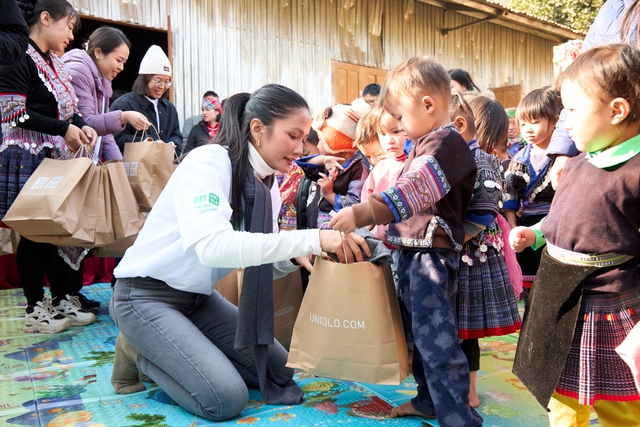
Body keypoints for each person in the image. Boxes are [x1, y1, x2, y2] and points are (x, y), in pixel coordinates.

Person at [109, 84, 371, 421]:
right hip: (145, 296)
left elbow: (259, 258)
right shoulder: (208, 162)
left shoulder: (266, 186)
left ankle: (180, 344)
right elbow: (212, 248)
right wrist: (311, 239)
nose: (300, 147)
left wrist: (292, 257)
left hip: (198, 299)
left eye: (304, 137)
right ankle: (138, 351)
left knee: (278, 371)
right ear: (258, 129)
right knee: (224, 399)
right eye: (292, 135)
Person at [330, 56, 483, 427]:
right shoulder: (428, 142)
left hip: (431, 257)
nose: (397, 126)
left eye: (399, 117)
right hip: (415, 255)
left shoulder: (444, 144)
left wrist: (361, 213)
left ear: (428, 104)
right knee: (419, 337)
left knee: (438, 342)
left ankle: (459, 419)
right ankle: (429, 402)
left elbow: (414, 191)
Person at [509, 43, 640, 427]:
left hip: (609, 305)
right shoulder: (579, 162)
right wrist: (534, 236)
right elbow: (564, 219)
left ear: (617, 111)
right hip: (559, 300)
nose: (563, 120)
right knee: (562, 398)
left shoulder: (634, 173)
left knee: (620, 404)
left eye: (572, 109)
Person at [0, 0, 98, 333]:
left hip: (56, 160)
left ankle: (60, 298)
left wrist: (82, 124)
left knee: (59, 231)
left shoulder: (55, 63)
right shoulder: (18, 56)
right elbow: (14, 112)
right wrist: (63, 129)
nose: (72, 35)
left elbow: (67, 112)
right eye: (69, 26)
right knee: (35, 232)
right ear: (45, 18)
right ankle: (33, 307)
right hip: (29, 158)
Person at [61, 27, 150, 309]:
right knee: (68, 231)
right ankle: (63, 297)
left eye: (125, 62)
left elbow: (105, 132)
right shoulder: (78, 71)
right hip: (69, 163)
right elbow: (87, 121)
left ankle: (71, 295)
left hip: (87, 164)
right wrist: (122, 115)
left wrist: (116, 167)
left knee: (81, 232)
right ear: (98, 52)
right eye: (119, 60)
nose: (121, 67)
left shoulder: (100, 80)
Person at [450, 93, 521, 408]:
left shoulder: (483, 160)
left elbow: (484, 211)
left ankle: (470, 391)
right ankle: (463, 389)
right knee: (459, 328)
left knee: (464, 328)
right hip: (464, 249)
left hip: (470, 254)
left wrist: (456, 237)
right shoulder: (469, 157)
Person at [547, 0, 637, 190]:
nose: (567, 123)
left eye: (572, 111)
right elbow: (580, 86)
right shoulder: (613, 7)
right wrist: (564, 150)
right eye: (568, 110)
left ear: (617, 111)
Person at [503, 86, 561, 312]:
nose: (527, 129)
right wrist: (513, 225)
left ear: (554, 121)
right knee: (530, 287)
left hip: (555, 223)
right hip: (526, 226)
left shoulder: (564, 156)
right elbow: (510, 192)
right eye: (523, 123)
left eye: (534, 122)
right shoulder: (519, 157)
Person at [295, 102, 370, 230]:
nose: (318, 146)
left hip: (340, 231)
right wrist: (324, 159)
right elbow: (303, 163)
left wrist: (330, 194)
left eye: (321, 140)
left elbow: (355, 203)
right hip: (319, 225)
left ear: (338, 145)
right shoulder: (328, 163)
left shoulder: (358, 169)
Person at [111, 45, 182, 155]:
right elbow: (115, 139)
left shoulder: (169, 108)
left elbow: (176, 134)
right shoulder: (124, 104)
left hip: (164, 167)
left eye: (166, 81)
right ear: (145, 79)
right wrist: (147, 143)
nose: (162, 86)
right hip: (134, 169)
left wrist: (171, 144)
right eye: (158, 80)